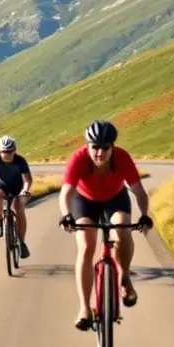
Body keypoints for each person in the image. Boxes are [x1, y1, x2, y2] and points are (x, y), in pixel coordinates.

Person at [58, 120, 152, 330]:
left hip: (115, 199)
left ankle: (125, 278)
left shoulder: (122, 158)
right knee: (86, 246)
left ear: (113, 146)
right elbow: (66, 193)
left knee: (122, 228)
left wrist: (145, 215)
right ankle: (84, 308)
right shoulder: (79, 158)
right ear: (87, 146)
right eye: (94, 147)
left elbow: (139, 191)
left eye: (105, 148)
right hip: (84, 201)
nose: (99, 153)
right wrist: (66, 215)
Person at [0, 135, 33, 258]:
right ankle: (0, 220)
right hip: (0, 187)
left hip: (17, 188)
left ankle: (22, 243)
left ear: (14, 150)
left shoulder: (20, 161)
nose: (7, 154)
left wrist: (25, 190)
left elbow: (28, 179)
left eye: (10, 152)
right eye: (4, 152)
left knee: (19, 208)